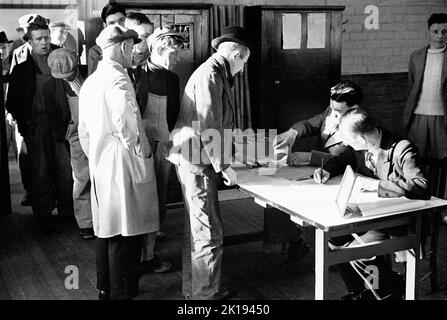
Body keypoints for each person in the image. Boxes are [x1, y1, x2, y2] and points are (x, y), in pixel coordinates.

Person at [168, 25, 250, 300]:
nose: (242, 69)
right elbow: (209, 123)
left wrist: (234, 153)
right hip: (196, 162)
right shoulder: (211, 75)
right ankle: (206, 296)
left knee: (199, 228)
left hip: (195, 159)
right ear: (236, 54)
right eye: (244, 63)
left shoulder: (215, 71)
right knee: (208, 233)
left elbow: (219, 122)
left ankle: (196, 289)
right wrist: (225, 166)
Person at [314, 108, 430, 300]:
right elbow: (343, 159)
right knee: (330, 240)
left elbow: (422, 186)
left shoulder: (401, 148)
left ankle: (386, 290)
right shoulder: (359, 144)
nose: (345, 144)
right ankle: (363, 290)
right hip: (371, 215)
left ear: (360, 140)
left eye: (348, 141)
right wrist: (327, 170)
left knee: (359, 251)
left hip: (398, 221)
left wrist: (377, 186)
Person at [78, 25, 159, 300]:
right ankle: (124, 292)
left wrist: (96, 155)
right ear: (123, 47)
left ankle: (105, 288)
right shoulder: (118, 79)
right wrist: (141, 151)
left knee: (107, 229)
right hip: (122, 161)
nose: (133, 51)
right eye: (131, 46)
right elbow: (126, 122)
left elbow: (84, 131)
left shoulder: (91, 81)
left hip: (101, 160)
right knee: (127, 231)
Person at [6, 18, 74, 232]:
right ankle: (43, 216)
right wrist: (25, 124)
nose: (44, 42)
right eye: (39, 39)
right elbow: (12, 102)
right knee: (40, 170)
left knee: (65, 169)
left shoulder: (61, 58)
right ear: (30, 41)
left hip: (60, 124)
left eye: (46, 37)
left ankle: (67, 213)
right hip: (36, 125)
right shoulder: (22, 69)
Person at [135, 26, 184, 273]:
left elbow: (175, 113)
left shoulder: (173, 78)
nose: (177, 59)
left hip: (165, 144)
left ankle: (151, 248)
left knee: (161, 196)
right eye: (173, 54)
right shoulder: (137, 74)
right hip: (140, 146)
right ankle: (142, 254)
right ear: (157, 49)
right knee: (143, 198)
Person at [46, 48, 94, 240]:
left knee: (103, 176)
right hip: (75, 134)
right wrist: (67, 132)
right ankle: (86, 223)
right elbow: (54, 117)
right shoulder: (50, 88)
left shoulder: (91, 73)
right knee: (82, 177)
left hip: (99, 130)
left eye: (70, 74)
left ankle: (104, 219)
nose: (66, 78)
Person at [405, 13, 447, 224]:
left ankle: (444, 208)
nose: (440, 36)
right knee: (417, 160)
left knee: (444, 163)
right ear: (428, 32)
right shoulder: (416, 56)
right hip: (418, 117)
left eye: (444, 32)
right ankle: (420, 204)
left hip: (443, 119)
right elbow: (412, 85)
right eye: (436, 31)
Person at [273, 80, 363, 164]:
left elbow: (348, 161)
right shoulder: (331, 110)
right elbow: (310, 125)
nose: (333, 113)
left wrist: (309, 157)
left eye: (338, 110)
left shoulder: (361, 127)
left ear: (354, 108)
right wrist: (292, 133)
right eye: (331, 107)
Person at [87, 1, 126, 76]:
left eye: (121, 20)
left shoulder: (134, 45)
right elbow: (94, 81)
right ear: (105, 26)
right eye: (112, 23)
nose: (118, 26)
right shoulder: (96, 51)